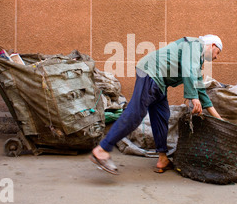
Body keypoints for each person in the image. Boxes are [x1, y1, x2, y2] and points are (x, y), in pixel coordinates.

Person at [90, 34, 223, 175]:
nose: (216, 57)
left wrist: (219, 120)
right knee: (136, 114)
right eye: (218, 53)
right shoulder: (195, 44)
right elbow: (188, 69)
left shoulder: (197, 59)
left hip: (160, 82)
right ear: (212, 45)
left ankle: (163, 158)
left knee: (161, 116)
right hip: (151, 73)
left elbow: (200, 89)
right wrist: (193, 97)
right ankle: (102, 149)